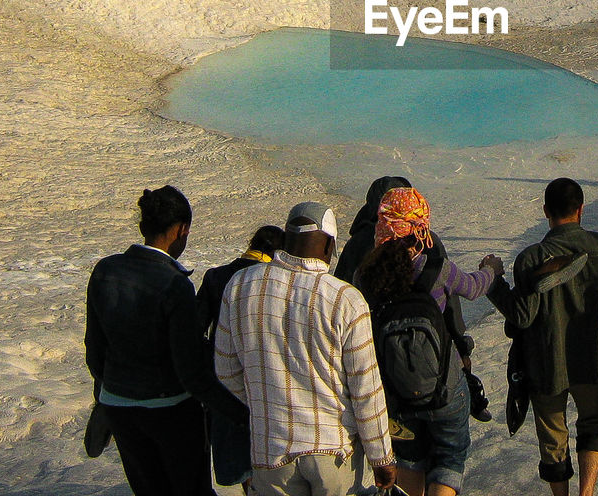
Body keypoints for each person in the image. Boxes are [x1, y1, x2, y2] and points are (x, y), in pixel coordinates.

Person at [215, 202, 397, 496]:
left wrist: (266, 402)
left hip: (270, 449)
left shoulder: (239, 286)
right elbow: (366, 389)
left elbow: (225, 369)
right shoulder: (345, 300)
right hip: (333, 450)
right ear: (329, 246)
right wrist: (382, 456)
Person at [85, 186, 248, 496]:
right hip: (169, 412)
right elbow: (191, 374)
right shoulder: (175, 285)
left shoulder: (105, 270)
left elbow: (94, 349)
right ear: (182, 230)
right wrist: (239, 414)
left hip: (119, 407)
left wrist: (113, 388)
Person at [354, 187, 502, 496]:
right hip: (445, 388)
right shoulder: (436, 269)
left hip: (396, 391)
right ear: (421, 226)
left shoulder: (364, 276)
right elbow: (474, 288)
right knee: (449, 460)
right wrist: (492, 270)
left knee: (409, 461)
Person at [485, 178, 598, 496]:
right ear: (581, 209)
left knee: (553, 440)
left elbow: (522, 316)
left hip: (546, 364)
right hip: (591, 359)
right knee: (592, 425)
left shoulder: (531, 259)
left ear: (545, 211)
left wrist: (493, 279)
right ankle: (586, 494)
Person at [337, 176, 492, 423]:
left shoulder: (358, 254)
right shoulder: (427, 243)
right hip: (438, 370)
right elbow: (454, 302)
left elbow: (341, 306)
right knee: (450, 454)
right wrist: (463, 347)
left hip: (385, 375)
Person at [197, 225, 285, 490]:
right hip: (268, 382)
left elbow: (194, 330)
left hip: (225, 384)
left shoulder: (216, 277)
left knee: (239, 457)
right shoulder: (275, 281)